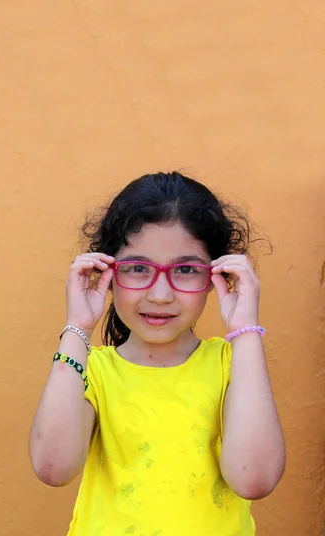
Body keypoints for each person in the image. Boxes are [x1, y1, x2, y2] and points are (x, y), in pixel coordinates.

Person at [29, 171, 285, 536]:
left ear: (217, 276)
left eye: (185, 269)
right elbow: (52, 468)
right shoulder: (93, 371)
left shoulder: (233, 365)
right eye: (137, 268)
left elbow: (254, 480)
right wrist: (78, 327)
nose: (161, 294)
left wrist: (245, 331)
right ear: (106, 271)